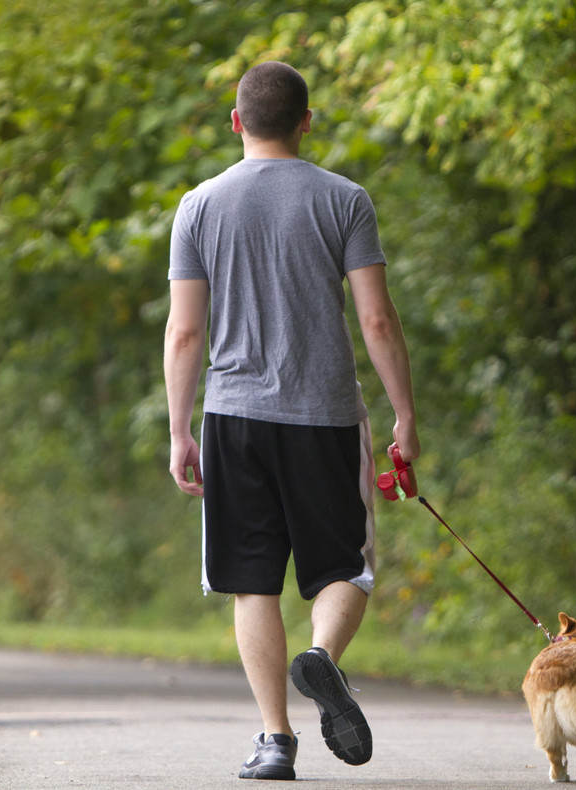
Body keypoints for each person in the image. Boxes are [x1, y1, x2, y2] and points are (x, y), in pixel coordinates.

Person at [163, 61, 420, 781]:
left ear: (237, 122)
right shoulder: (346, 200)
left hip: (234, 419)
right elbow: (375, 315)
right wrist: (404, 414)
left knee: (253, 584)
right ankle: (322, 658)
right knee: (347, 567)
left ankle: (275, 740)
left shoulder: (199, 206)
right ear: (307, 121)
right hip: (325, 417)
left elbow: (185, 333)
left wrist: (181, 430)